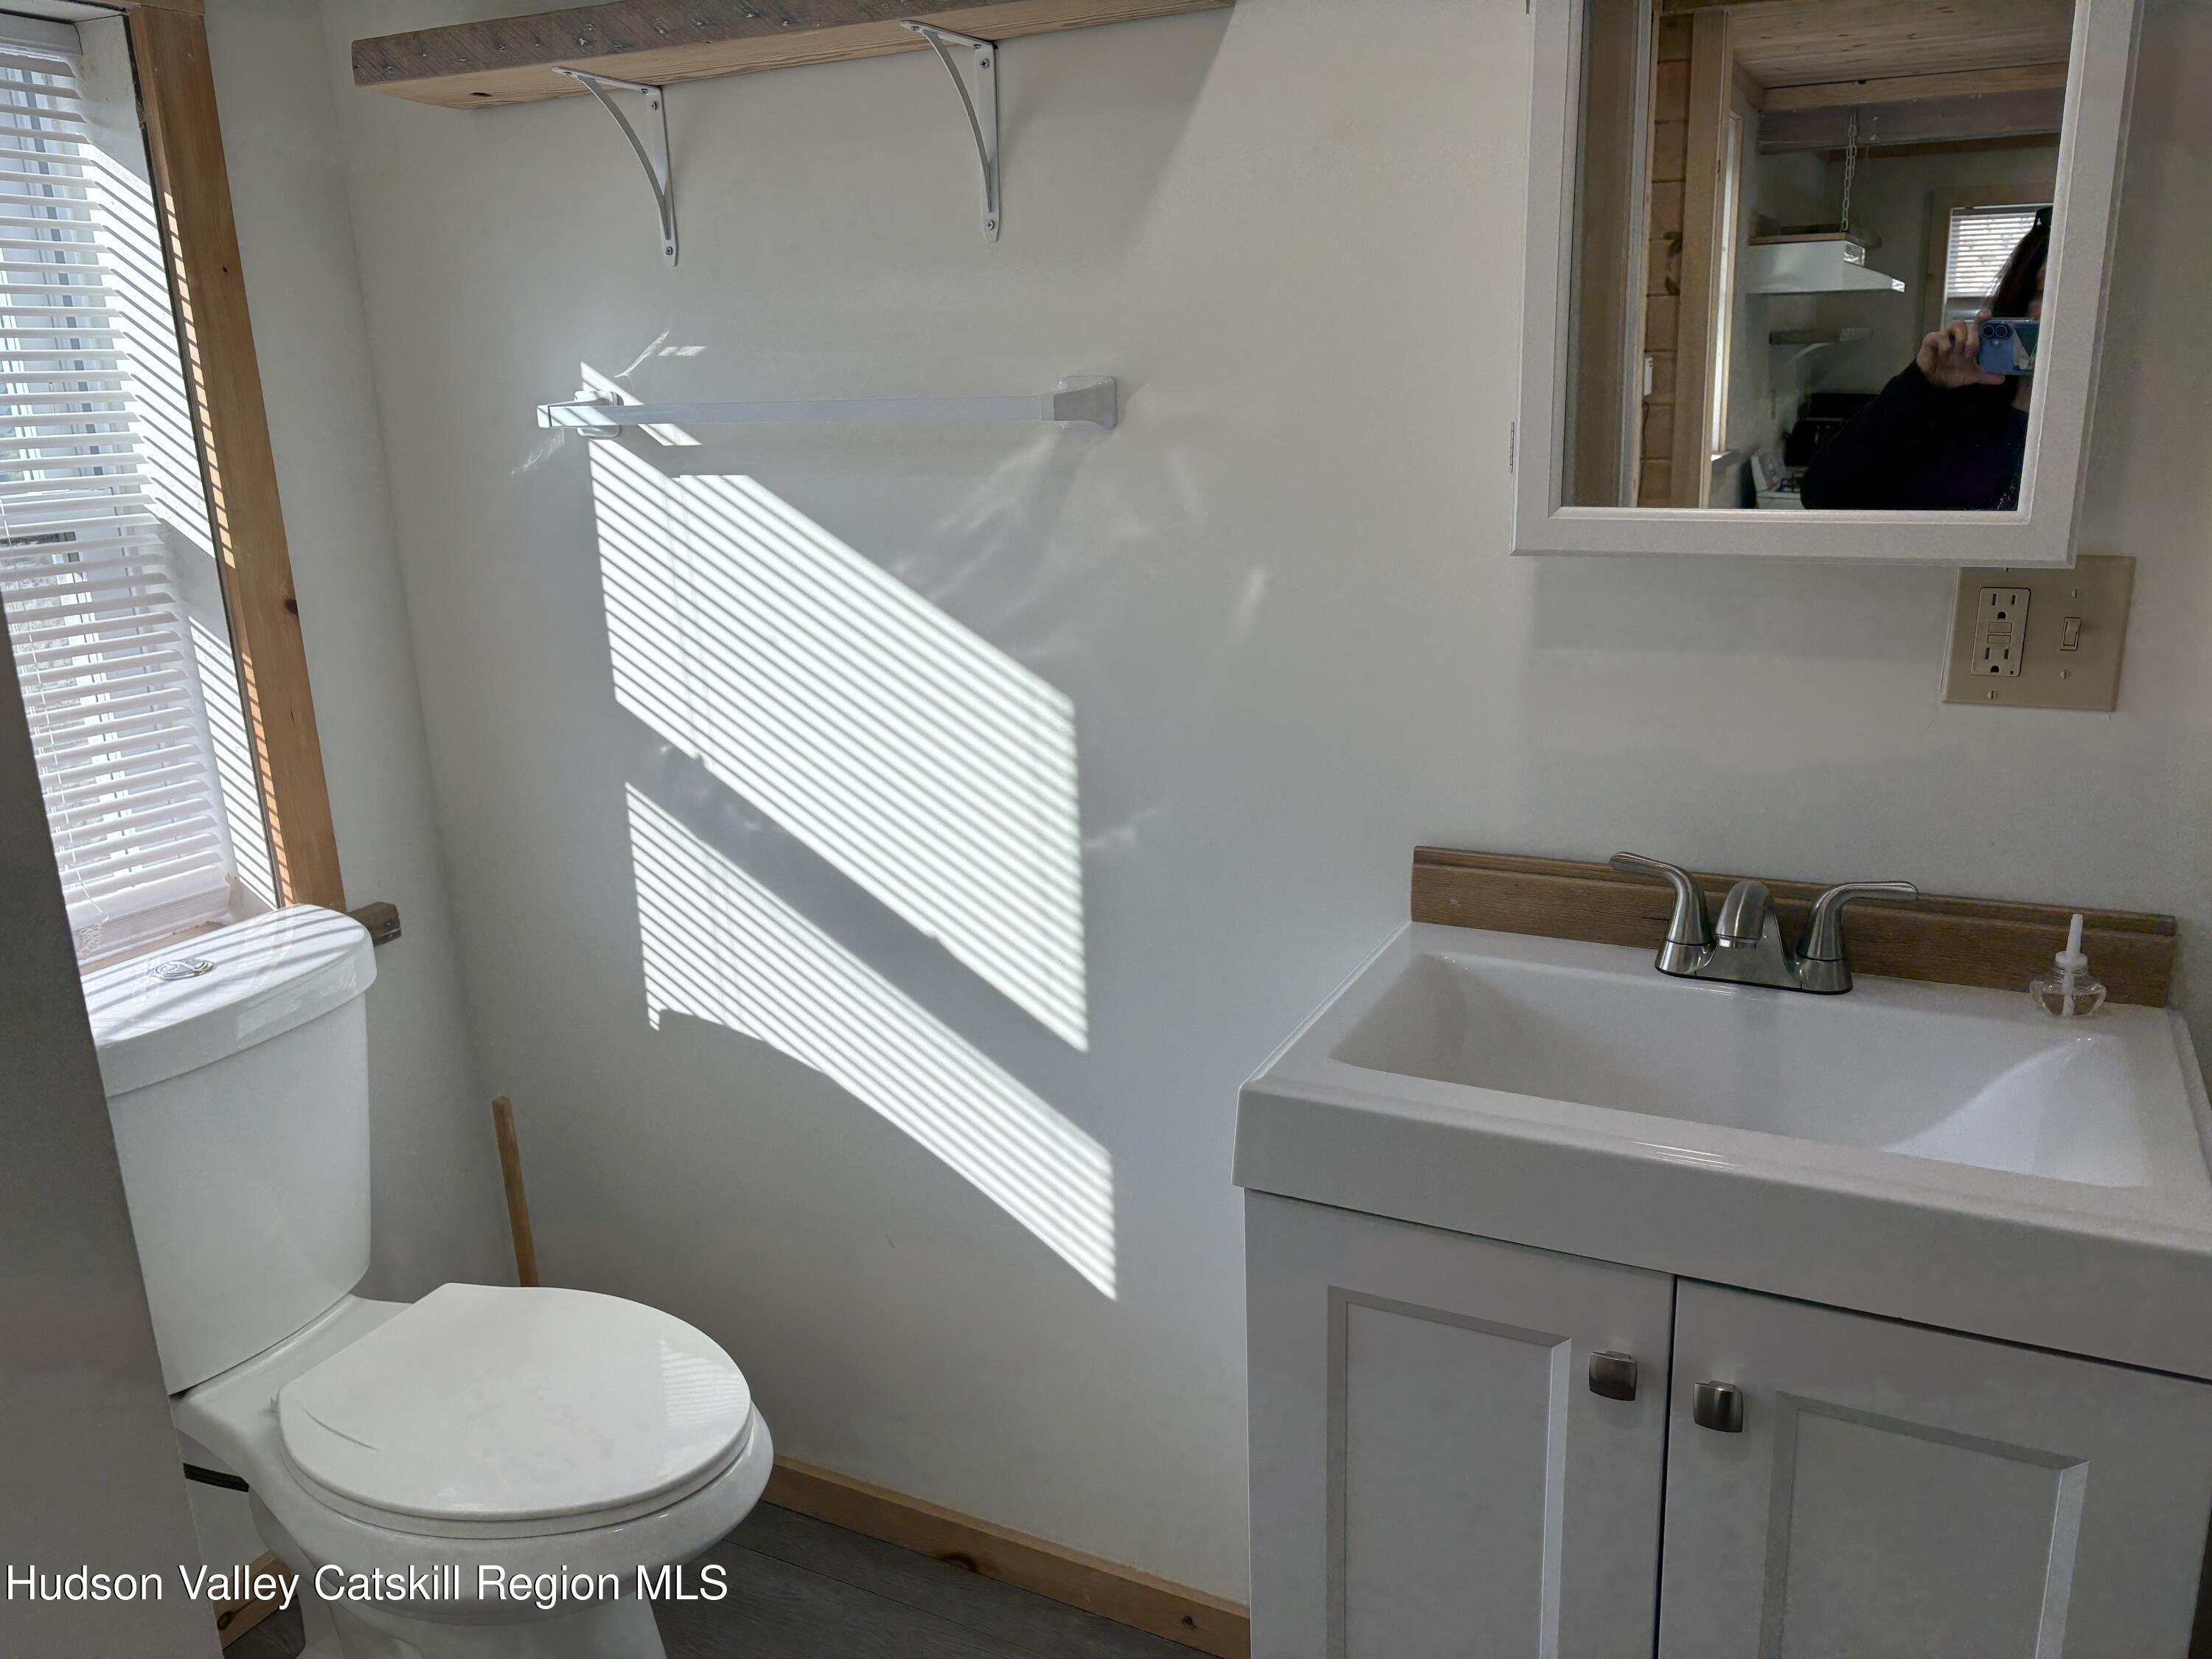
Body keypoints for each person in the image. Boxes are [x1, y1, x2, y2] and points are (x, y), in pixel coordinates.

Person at [1799, 216, 2048, 510]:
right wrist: (1921, 383)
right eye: (2043, 291)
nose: (2055, 308)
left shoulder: (2096, 431)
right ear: (2019, 298)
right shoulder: (1954, 401)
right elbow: (1822, 495)